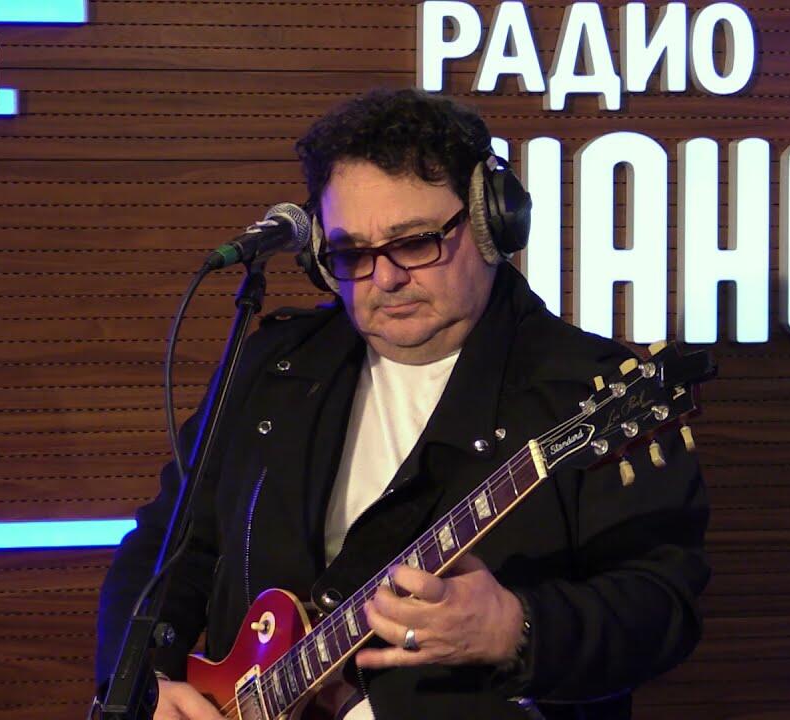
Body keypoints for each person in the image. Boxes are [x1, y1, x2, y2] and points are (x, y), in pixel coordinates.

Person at [96, 88, 710, 720]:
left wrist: (516, 628)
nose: (385, 277)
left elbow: (662, 607)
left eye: (414, 242)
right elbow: (164, 551)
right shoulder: (272, 365)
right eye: (352, 252)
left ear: (489, 223)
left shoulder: (593, 390)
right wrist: (145, 686)